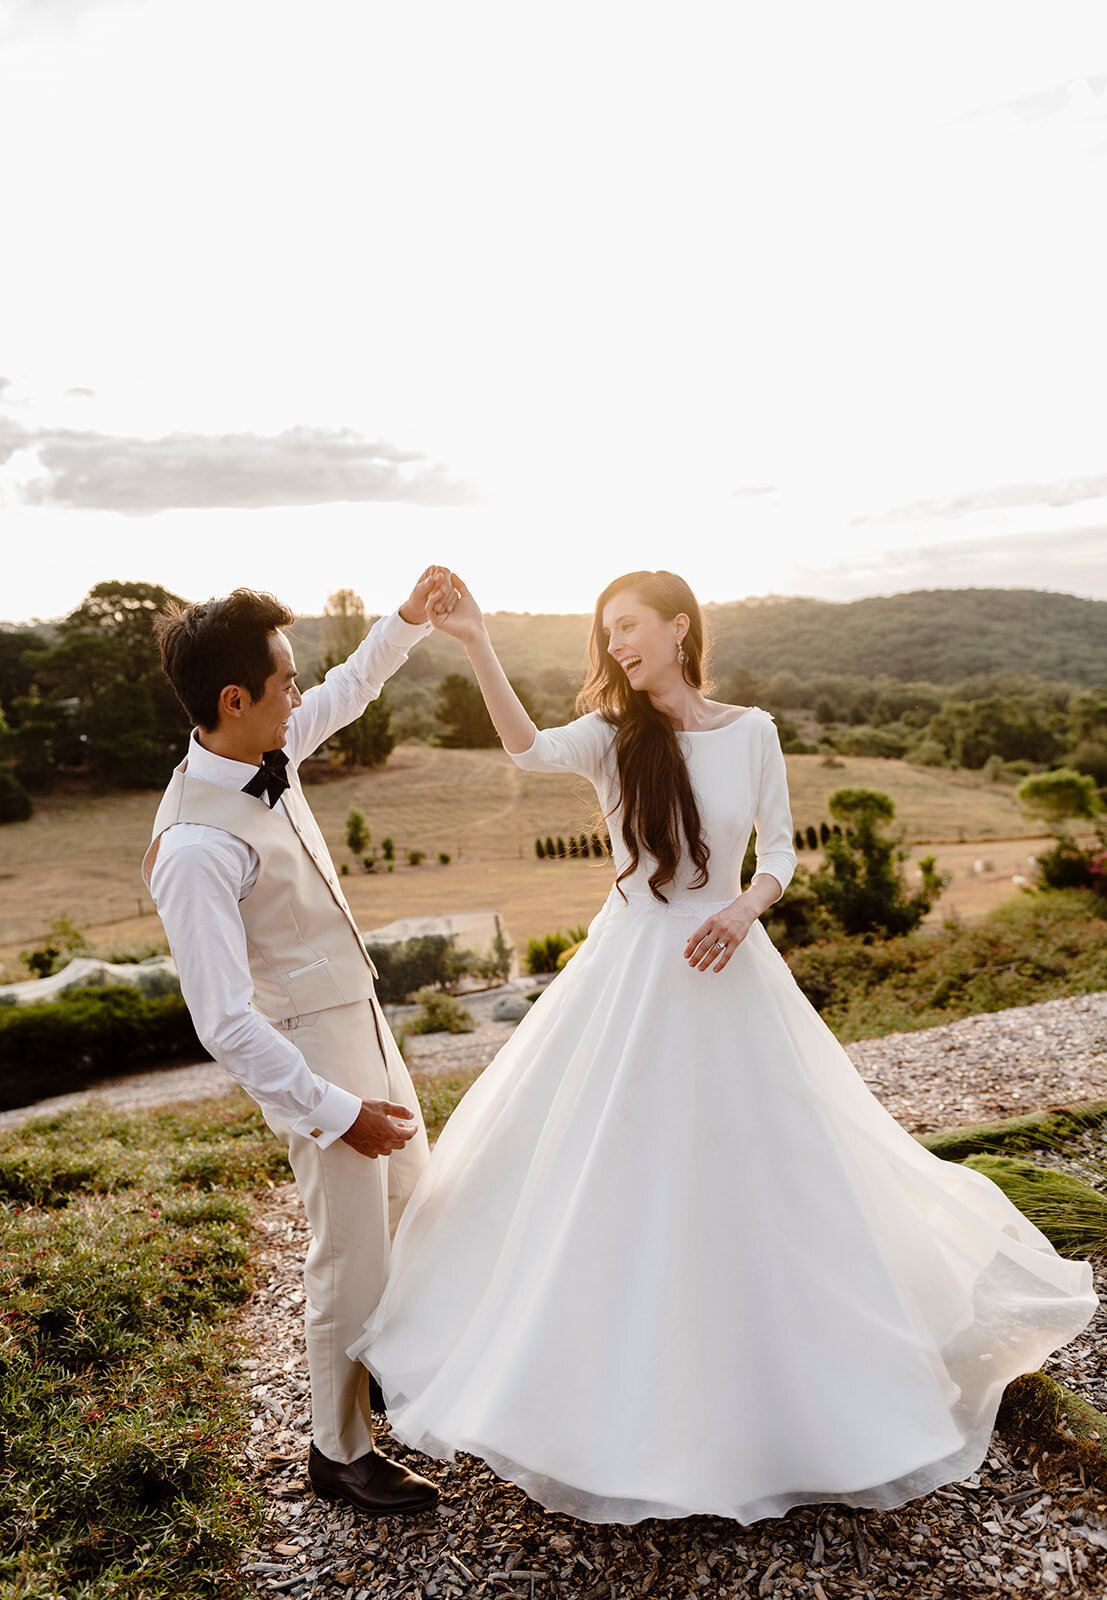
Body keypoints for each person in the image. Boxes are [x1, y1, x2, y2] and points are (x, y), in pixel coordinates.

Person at [347, 568, 1098, 1526]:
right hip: (630, 970)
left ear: (679, 627)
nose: (616, 643)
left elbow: (780, 850)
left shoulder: (751, 730)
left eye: (629, 626)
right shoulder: (618, 739)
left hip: (728, 959)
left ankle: (793, 1375)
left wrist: (745, 907)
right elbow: (529, 751)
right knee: (610, 1161)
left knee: (767, 1162)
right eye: (605, 631)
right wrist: (477, 641)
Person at [144, 570, 459, 1516]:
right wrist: (335, 1112)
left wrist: (405, 621)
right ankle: (338, 1449)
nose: (300, 694)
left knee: (413, 1208)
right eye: (285, 682)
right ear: (233, 701)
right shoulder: (196, 848)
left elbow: (348, 689)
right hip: (311, 1064)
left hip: (359, 1023)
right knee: (348, 1254)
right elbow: (225, 1021)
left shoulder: (259, 746)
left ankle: (396, 1380)